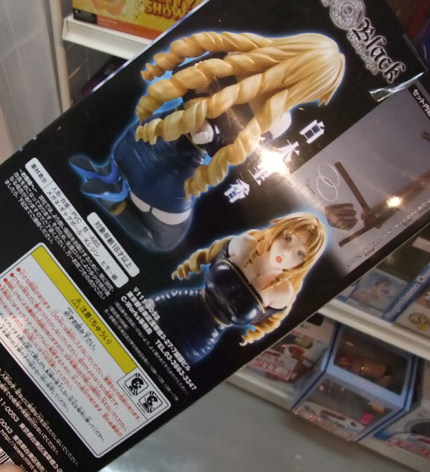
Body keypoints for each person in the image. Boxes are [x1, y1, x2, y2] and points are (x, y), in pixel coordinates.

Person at [71, 31, 344, 250]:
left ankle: (111, 177)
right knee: (165, 240)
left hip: (141, 139)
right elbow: (235, 150)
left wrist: (205, 109)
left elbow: (185, 78)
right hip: (167, 168)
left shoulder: (240, 55)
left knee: (139, 169)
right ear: (312, 87)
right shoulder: (278, 118)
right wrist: (210, 127)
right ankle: (115, 200)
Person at [152, 212, 327, 364]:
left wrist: (255, 334)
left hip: (198, 339)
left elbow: (273, 321)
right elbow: (211, 253)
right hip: (177, 305)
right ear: (278, 230)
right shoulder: (245, 244)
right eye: (288, 238)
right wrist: (191, 266)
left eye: (300, 253)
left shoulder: (282, 292)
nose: (287, 252)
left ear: (305, 262)